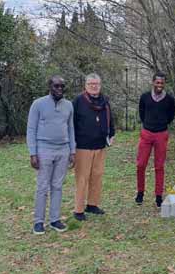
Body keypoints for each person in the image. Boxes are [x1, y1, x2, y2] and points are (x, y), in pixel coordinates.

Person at [27, 76, 76, 234]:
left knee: (57, 186)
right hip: (44, 149)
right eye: (56, 86)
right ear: (50, 86)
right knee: (42, 186)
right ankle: (38, 222)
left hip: (63, 150)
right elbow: (31, 129)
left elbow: (71, 129)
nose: (60, 89)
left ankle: (55, 220)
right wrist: (33, 153)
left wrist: (72, 151)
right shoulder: (38, 104)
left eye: (62, 86)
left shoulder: (68, 105)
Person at [72, 73, 115, 222]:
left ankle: (92, 204)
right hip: (83, 146)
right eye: (91, 84)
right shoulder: (78, 101)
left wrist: (112, 133)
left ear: (100, 85)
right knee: (82, 178)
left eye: (96, 84)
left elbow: (110, 118)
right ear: (86, 85)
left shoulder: (104, 100)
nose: (94, 86)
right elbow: (71, 123)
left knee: (97, 176)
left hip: (100, 145)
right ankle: (78, 209)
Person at [135, 72, 175, 207]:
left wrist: (161, 124)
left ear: (164, 84)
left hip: (161, 134)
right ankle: (140, 192)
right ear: (153, 82)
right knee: (141, 164)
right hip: (146, 133)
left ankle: (158, 196)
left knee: (159, 166)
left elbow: (171, 116)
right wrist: (148, 124)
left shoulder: (169, 100)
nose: (159, 85)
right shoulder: (145, 97)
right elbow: (142, 113)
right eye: (157, 82)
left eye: (162, 83)